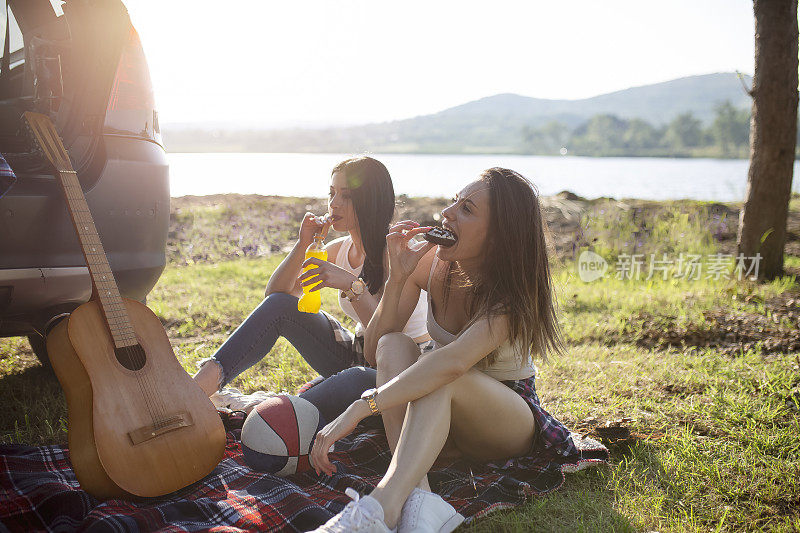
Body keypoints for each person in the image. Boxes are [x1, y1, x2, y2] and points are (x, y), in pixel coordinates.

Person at [306, 168, 578, 533]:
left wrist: (362, 405)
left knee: (440, 368)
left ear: (498, 237)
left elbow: (451, 364)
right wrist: (398, 278)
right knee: (394, 343)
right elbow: (375, 351)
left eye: (466, 209)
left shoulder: (512, 295)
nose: (447, 213)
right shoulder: (430, 264)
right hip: (435, 414)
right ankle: (420, 502)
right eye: (454, 202)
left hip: (502, 421)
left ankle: (380, 509)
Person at [193, 156, 431, 413]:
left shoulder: (399, 254)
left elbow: (380, 347)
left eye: (346, 196)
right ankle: (192, 393)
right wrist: (303, 243)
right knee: (280, 306)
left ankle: (267, 411)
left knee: (342, 386)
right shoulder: (340, 249)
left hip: (397, 369)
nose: (333, 203)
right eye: (331, 193)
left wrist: (352, 285)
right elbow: (277, 299)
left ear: (371, 201)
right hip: (356, 354)